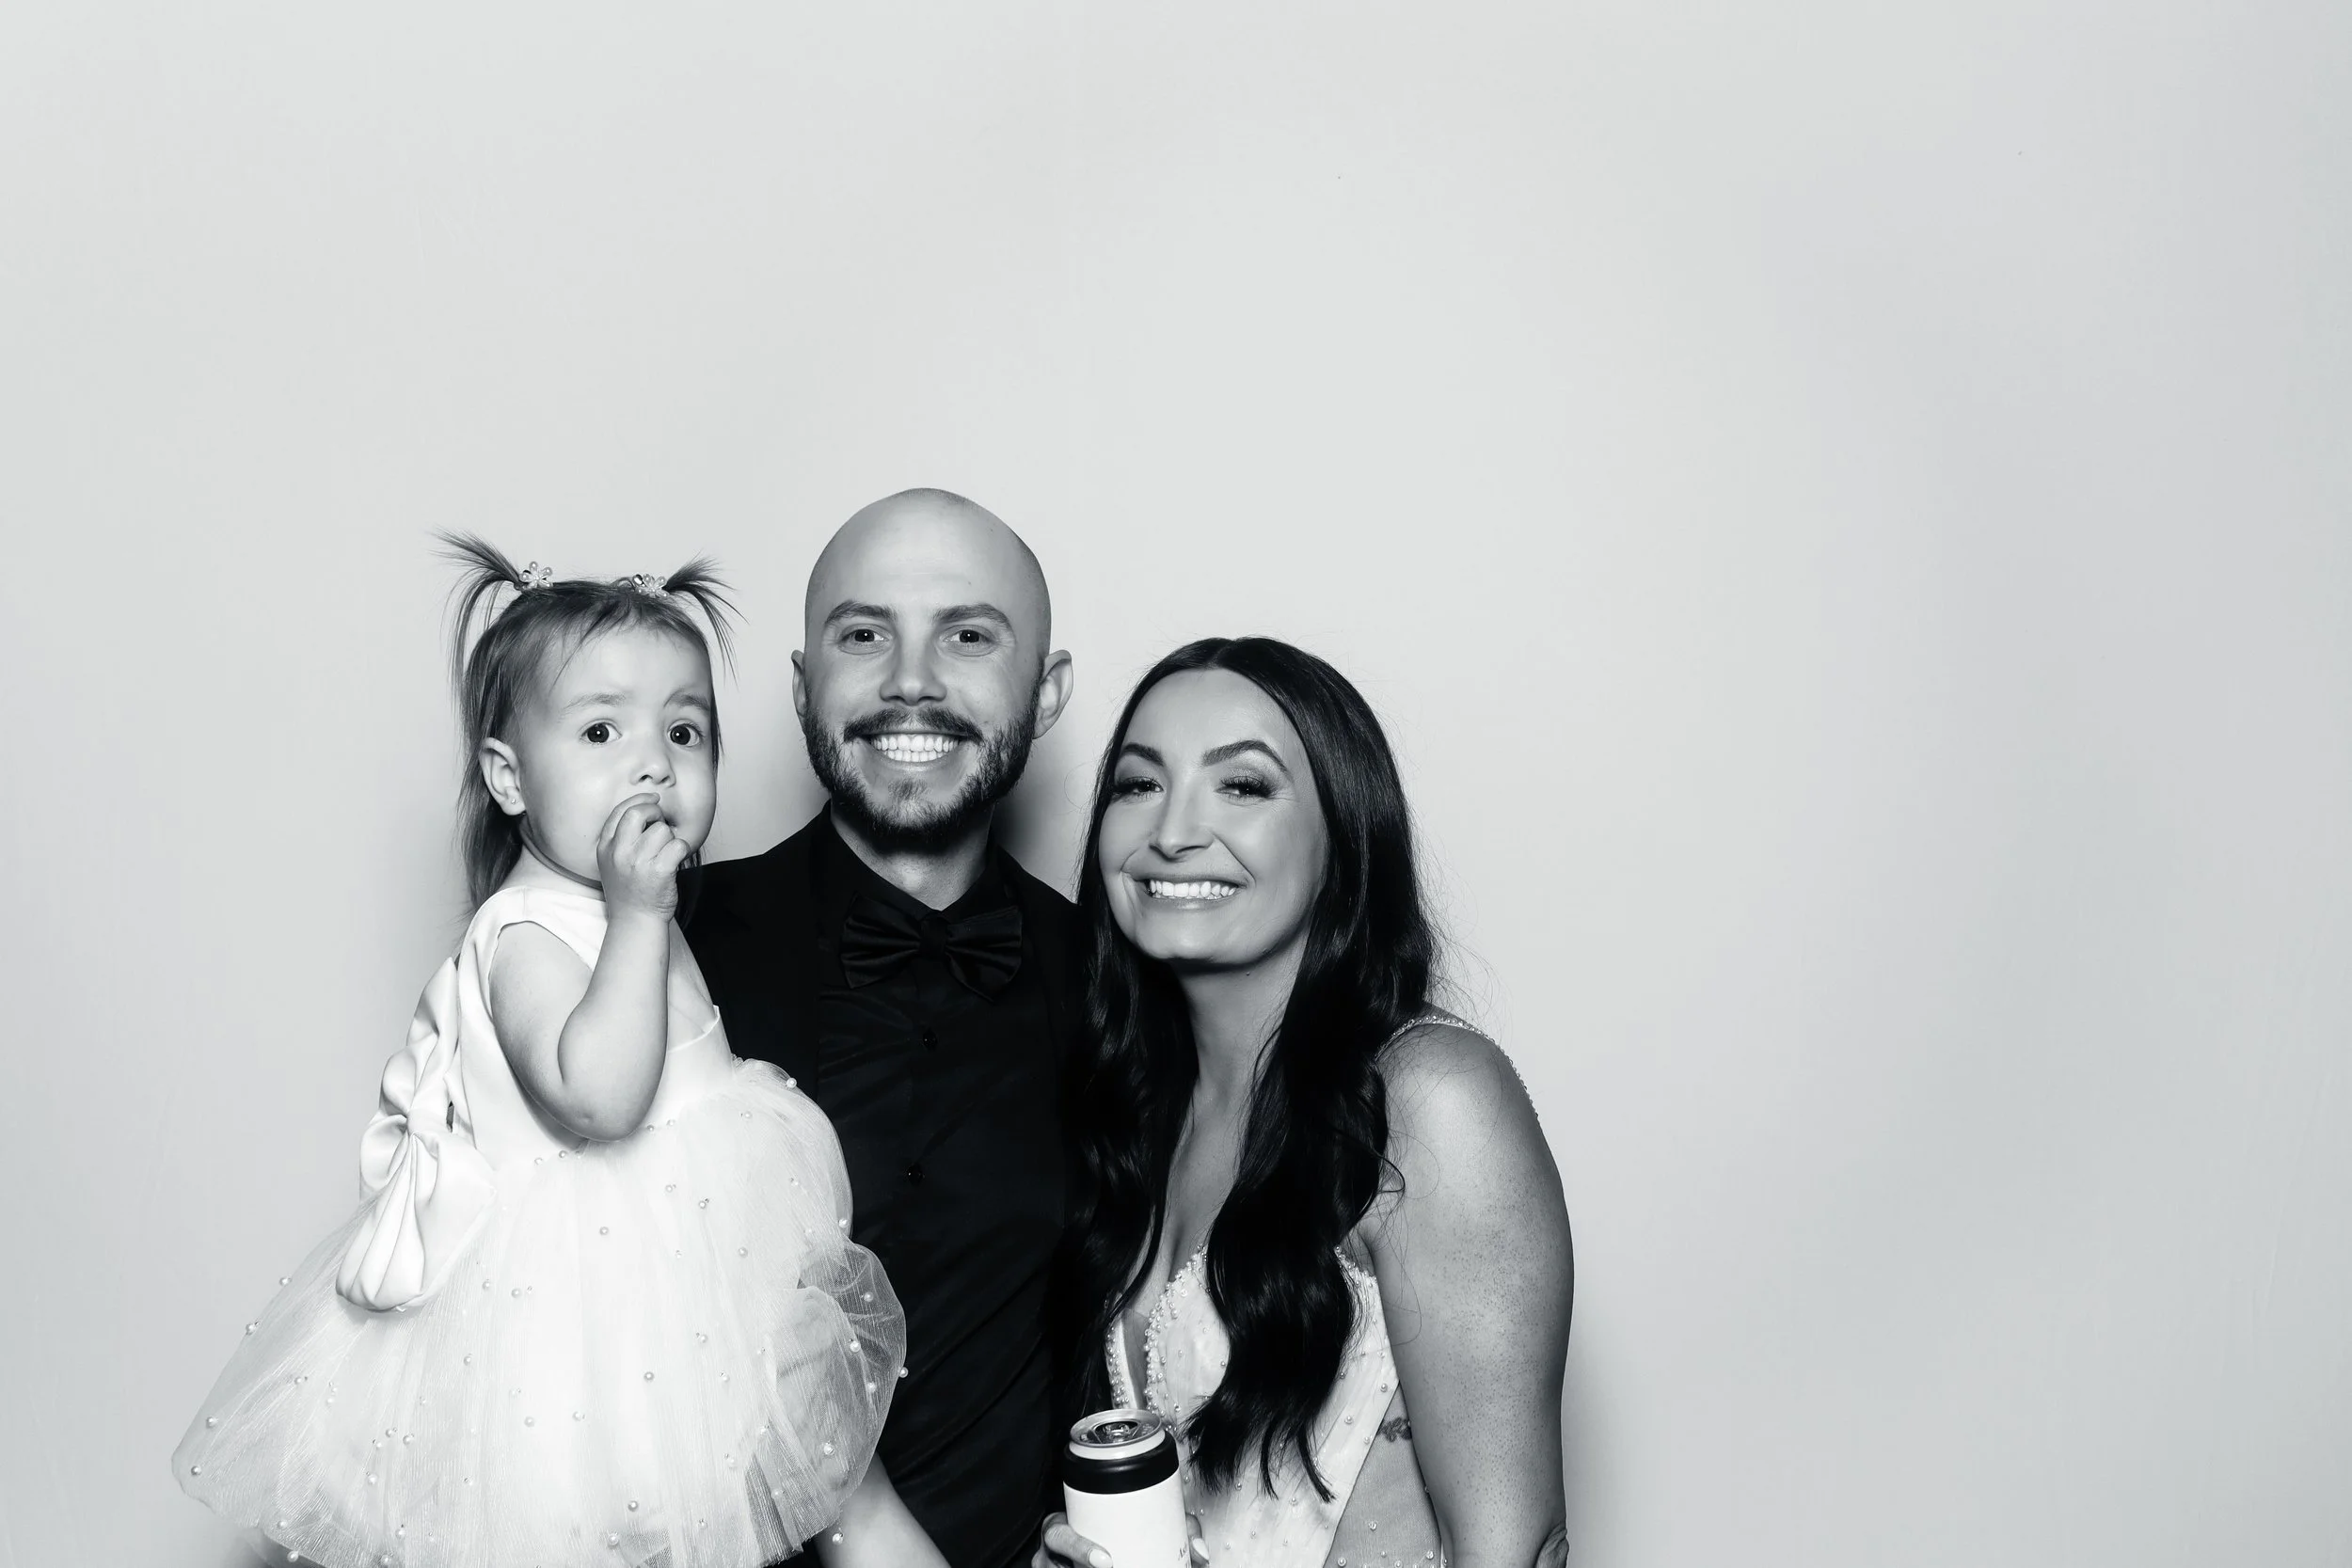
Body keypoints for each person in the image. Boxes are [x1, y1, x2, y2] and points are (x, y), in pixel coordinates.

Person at [173, 540, 940, 1568]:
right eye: (599, 730)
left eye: (684, 729)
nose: (652, 762)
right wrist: (635, 913)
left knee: (792, 1497)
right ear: (508, 776)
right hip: (576, 1338)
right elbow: (597, 1095)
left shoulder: (633, 916)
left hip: (693, 1292)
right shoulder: (526, 931)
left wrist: (639, 915)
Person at [1039, 638, 1574, 1568]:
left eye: (1240, 786)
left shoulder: (1428, 1099)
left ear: (1342, 835)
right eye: (1136, 784)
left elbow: (1514, 1549)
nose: (1173, 829)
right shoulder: (1142, 1115)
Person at [688, 490, 1085, 1568]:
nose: (911, 679)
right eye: (864, 635)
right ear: (803, 682)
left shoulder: (1117, 983)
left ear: (1044, 693)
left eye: (967, 634)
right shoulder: (654, 948)